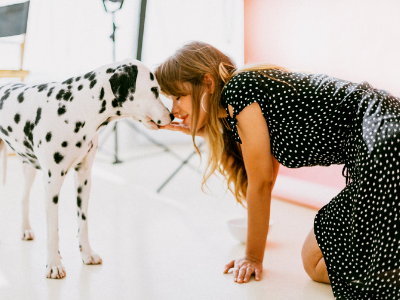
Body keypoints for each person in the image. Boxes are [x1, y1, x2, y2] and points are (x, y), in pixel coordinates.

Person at [154, 40, 400, 299]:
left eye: (178, 97)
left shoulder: (240, 89)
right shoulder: (240, 107)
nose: (174, 110)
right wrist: (204, 131)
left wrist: (252, 257)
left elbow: (261, 183)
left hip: (383, 137)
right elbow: (257, 178)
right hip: (382, 135)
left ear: (208, 83)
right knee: (316, 263)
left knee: (369, 271)